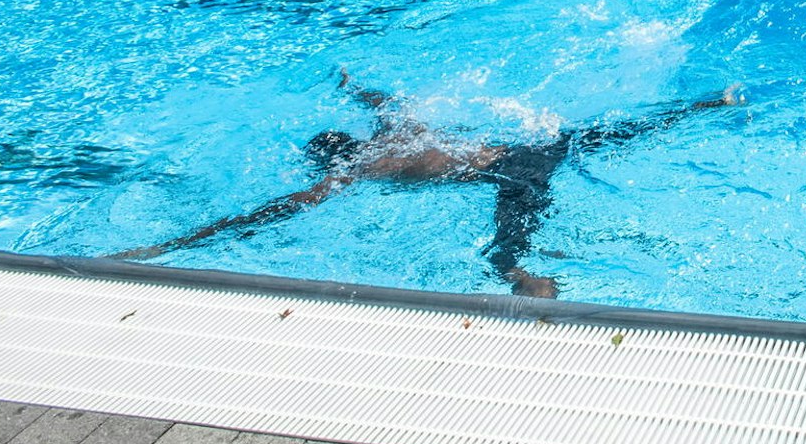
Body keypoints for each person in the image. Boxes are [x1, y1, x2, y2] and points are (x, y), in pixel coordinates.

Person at [116, 71, 743, 298]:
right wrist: (352, 84)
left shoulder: (366, 168)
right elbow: (388, 100)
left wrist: (184, 241)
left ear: (336, 160)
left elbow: (280, 210)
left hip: (514, 173)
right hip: (532, 145)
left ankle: (528, 281)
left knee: (505, 247)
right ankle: (709, 103)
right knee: (616, 134)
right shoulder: (398, 131)